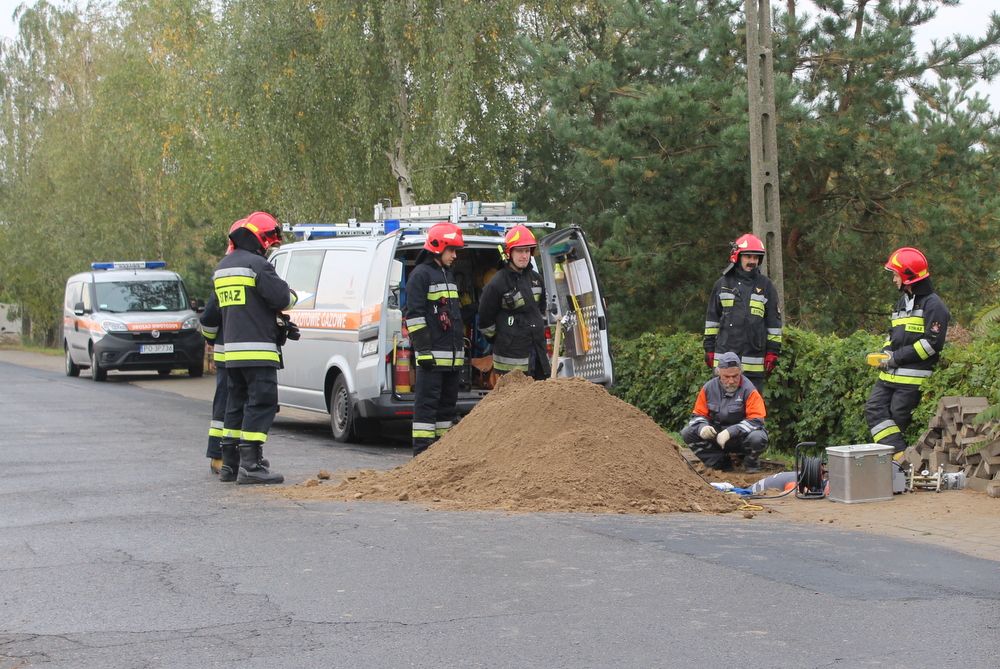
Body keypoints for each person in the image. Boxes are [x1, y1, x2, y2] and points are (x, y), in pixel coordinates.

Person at [212, 212, 297, 484]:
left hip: (232, 353)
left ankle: (230, 465)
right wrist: (292, 295)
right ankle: (251, 465)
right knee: (262, 404)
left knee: (236, 405)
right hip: (259, 351)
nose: (268, 249)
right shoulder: (257, 265)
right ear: (261, 239)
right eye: (269, 243)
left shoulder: (222, 267)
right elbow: (283, 298)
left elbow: (241, 307)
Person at [865, 247, 950, 453]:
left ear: (907, 276)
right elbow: (892, 334)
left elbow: (932, 344)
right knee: (873, 409)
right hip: (889, 376)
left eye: (896, 274)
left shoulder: (934, 305)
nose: (894, 280)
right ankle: (898, 456)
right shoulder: (902, 301)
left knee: (896, 418)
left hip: (912, 380)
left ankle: (896, 459)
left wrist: (896, 358)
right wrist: (886, 354)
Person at [403, 221, 465, 457]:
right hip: (431, 359)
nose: (455, 256)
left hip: (451, 360)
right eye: (452, 250)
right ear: (438, 248)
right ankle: (421, 458)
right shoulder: (420, 275)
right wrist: (424, 352)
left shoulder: (447, 274)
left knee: (446, 411)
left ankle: (440, 458)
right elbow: (415, 316)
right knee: (426, 410)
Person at [703, 233, 782, 390]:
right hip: (724, 363)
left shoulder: (766, 286)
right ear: (737, 257)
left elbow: (774, 324)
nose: (752, 261)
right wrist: (709, 349)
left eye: (756, 257)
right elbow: (712, 320)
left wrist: (772, 353)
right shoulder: (721, 284)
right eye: (748, 257)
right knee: (722, 408)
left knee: (753, 411)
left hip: (754, 362)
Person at [200, 219, 245, 475]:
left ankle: (219, 456)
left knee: (224, 403)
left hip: (224, 352)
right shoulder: (254, 268)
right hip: (246, 354)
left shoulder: (224, 272)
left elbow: (208, 319)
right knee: (240, 403)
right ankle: (232, 457)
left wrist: (212, 338)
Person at [478, 225, 551, 380]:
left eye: (527, 251)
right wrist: (504, 338)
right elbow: (485, 321)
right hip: (510, 360)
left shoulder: (537, 280)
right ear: (509, 253)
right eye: (519, 251)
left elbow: (541, 311)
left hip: (537, 354)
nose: (524, 256)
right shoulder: (496, 283)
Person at [680, 352, 768, 473]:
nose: (731, 381)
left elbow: (757, 420)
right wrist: (702, 427)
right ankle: (719, 461)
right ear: (719, 373)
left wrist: (730, 432)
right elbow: (697, 415)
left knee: (758, 437)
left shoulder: (750, 390)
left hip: (741, 438)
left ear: (740, 372)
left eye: (735, 376)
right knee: (687, 432)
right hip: (716, 435)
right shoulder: (708, 388)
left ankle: (751, 462)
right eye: (726, 377)